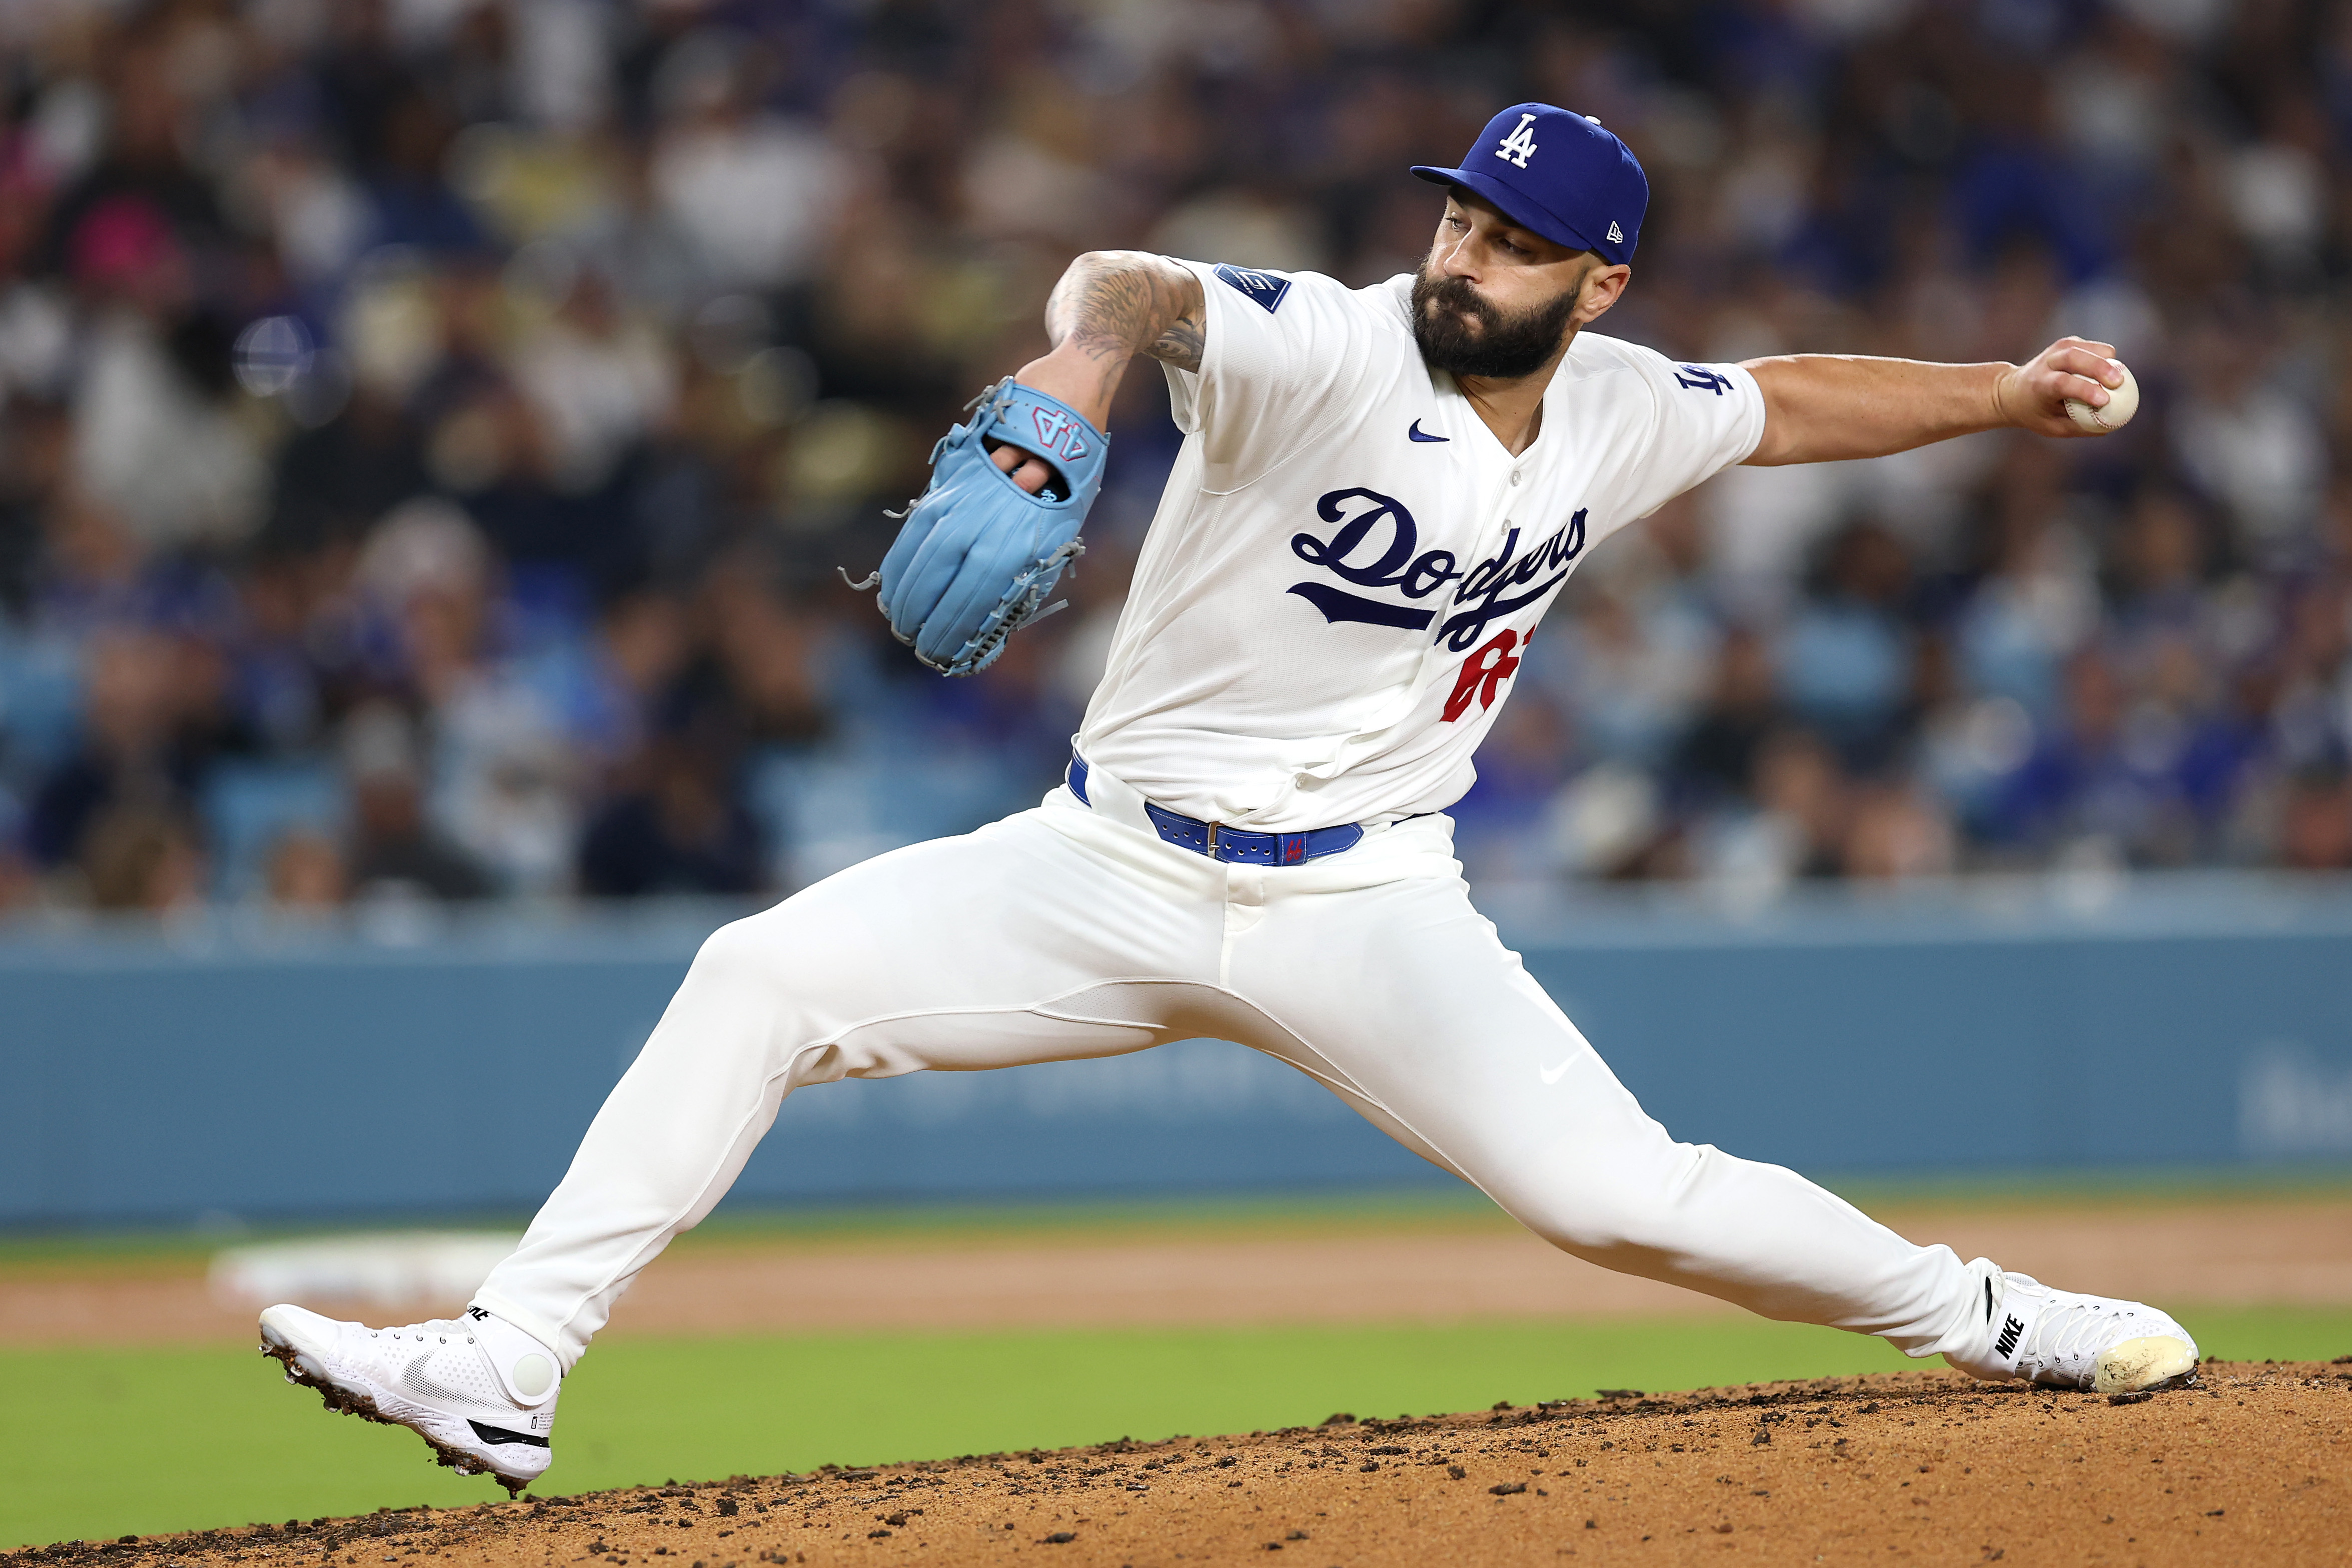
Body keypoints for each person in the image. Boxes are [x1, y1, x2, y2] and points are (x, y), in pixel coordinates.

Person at [257, 105, 2195, 1493]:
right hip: (1102, 867)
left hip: (1372, 904)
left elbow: (1785, 396)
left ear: (1599, 283)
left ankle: (1991, 1313)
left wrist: (2007, 393)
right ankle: (511, 1365)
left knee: (1626, 1202)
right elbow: (1134, 278)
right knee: (758, 974)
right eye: (1457, 220)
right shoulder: (1332, 342)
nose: (1465, 255)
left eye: (1515, 244)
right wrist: (1082, 379)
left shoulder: (1619, 406)